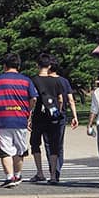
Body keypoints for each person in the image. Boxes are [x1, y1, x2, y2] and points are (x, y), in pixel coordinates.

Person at [0, 53, 38, 188]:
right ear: (19, 66)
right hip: (21, 119)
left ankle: (9, 176)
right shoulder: (26, 81)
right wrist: (28, 112)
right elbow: (33, 98)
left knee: (5, 150)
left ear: (4, 66)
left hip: (3, 119)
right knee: (19, 149)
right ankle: (18, 174)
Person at [28, 53, 66, 184]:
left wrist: (29, 115)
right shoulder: (57, 80)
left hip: (39, 115)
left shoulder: (33, 80)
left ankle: (40, 172)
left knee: (35, 143)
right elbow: (61, 99)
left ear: (37, 65)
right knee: (53, 145)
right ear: (49, 65)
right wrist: (58, 111)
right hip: (53, 117)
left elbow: (33, 99)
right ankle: (54, 175)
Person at [47, 57, 79, 179]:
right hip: (61, 115)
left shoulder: (44, 81)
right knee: (59, 143)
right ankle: (58, 167)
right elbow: (71, 99)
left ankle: (52, 169)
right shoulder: (64, 81)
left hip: (47, 115)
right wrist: (75, 116)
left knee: (48, 144)